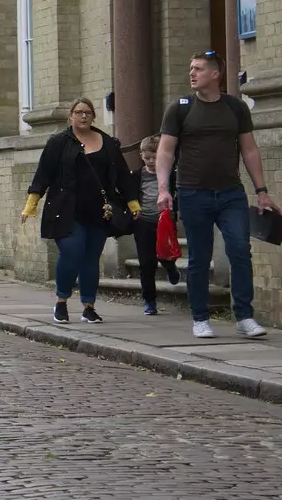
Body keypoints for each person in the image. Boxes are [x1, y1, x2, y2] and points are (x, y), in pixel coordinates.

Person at [156, 51, 277, 339]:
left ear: (215, 74)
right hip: (192, 193)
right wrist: (163, 188)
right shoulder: (180, 108)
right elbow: (165, 150)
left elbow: (249, 149)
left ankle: (244, 317)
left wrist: (262, 192)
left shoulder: (235, 108)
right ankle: (200, 318)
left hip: (230, 194)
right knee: (199, 257)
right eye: (191, 68)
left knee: (239, 250)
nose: (192, 73)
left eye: (198, 68)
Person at [22, 97, 136, 325]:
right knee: (72, 252)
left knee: (91, 258)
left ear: (93, 116)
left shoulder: (107, 142)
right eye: (79, 112)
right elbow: (43, 173)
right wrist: (31, 205)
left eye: (88, 113)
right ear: (70, 116)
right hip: (66, 210)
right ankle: (61, 301)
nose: (83, 116)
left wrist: (133, 204)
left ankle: (88, 307)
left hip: (98, 210)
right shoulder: (58, 142)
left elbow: (123, 175)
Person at [133, 134, 181, 315]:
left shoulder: (171, 175)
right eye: (147, 158)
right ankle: (149, 301)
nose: (151, 161)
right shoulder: (138, 176)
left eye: (155, 157)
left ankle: (170, 267)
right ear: (141, 156)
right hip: (144, 222)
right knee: (146, 262)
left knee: (165, 254)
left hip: (165, 222)